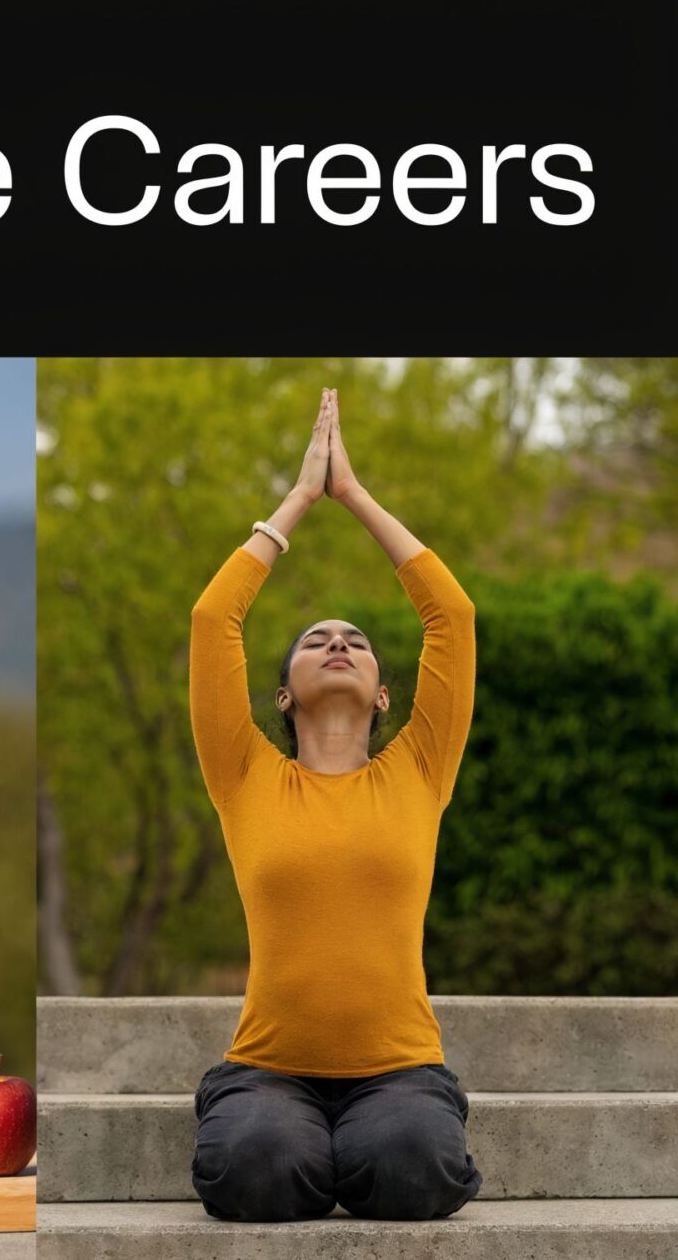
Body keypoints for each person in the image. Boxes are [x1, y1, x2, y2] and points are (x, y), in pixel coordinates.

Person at [187, 388, 480, 1222]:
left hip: (400, 1072)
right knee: (256, 1164)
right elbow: (213, 620)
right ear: (283, 694)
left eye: (355, 639)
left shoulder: (420, 766)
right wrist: (297, 501)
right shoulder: (243, 774)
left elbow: (452, 616)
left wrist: (353, 495)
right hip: (268, 1073)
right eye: (316, 639)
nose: (338, 642)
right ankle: (316, 1150)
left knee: (414, 1164)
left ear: (386, 696)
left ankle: (358, 1150)